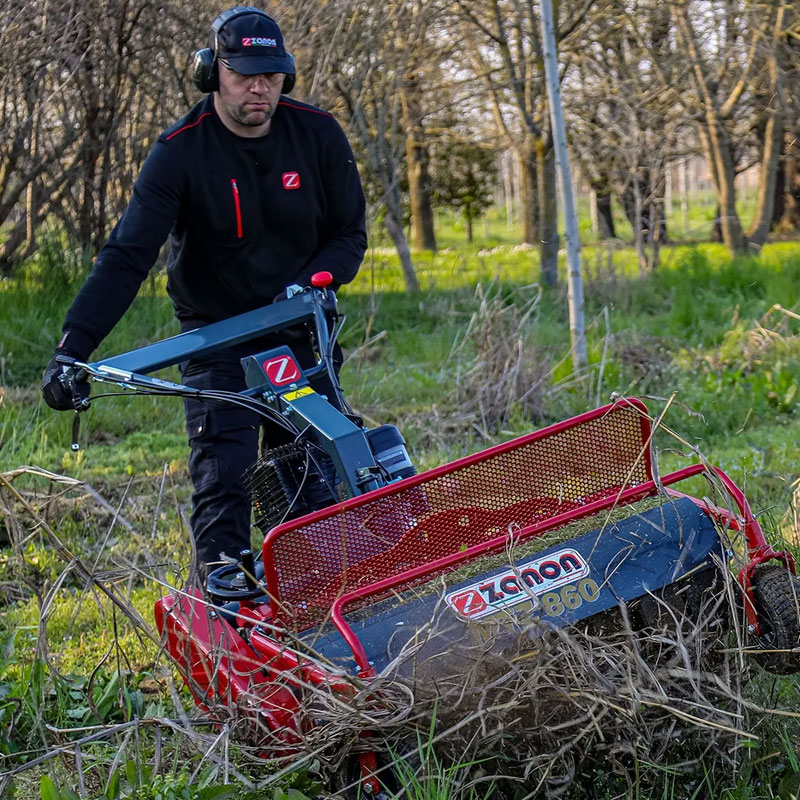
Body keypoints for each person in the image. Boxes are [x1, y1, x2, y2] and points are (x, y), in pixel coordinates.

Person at [40, 6, 367, 576]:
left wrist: (311, 283)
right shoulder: (181, 152)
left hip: (298, 329)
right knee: (226, 477)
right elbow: (126, 258)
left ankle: (330, 602)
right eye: (243, 75)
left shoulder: (317, 135)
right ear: (212, 73)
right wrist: (73, 348)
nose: (258, 88)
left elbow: (348, 236)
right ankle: (227, 606)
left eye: (270, 75)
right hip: (216, 339)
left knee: (322, 480)